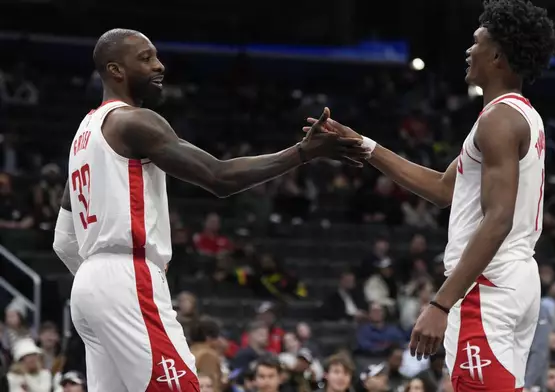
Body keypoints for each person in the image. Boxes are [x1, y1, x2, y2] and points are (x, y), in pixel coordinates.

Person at [51, 28, 368, 392]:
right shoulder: (134, 121)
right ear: (115, 70)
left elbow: (63, 239)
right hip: (126, 276)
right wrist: (303, 152)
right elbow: (219, 177)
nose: (159, 65)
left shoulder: (83, 134)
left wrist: (96, 278)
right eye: (145, 58)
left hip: (89, 286)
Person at [304, 0, 555, 390]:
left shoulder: (498, 121)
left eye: (477, 42)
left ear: (497, 55)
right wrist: (365, 146)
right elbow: (443, 189)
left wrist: (440, 302)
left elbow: (498, 220)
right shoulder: (522, 115)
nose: (469, 51)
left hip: (486, 287)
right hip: (514, 281)